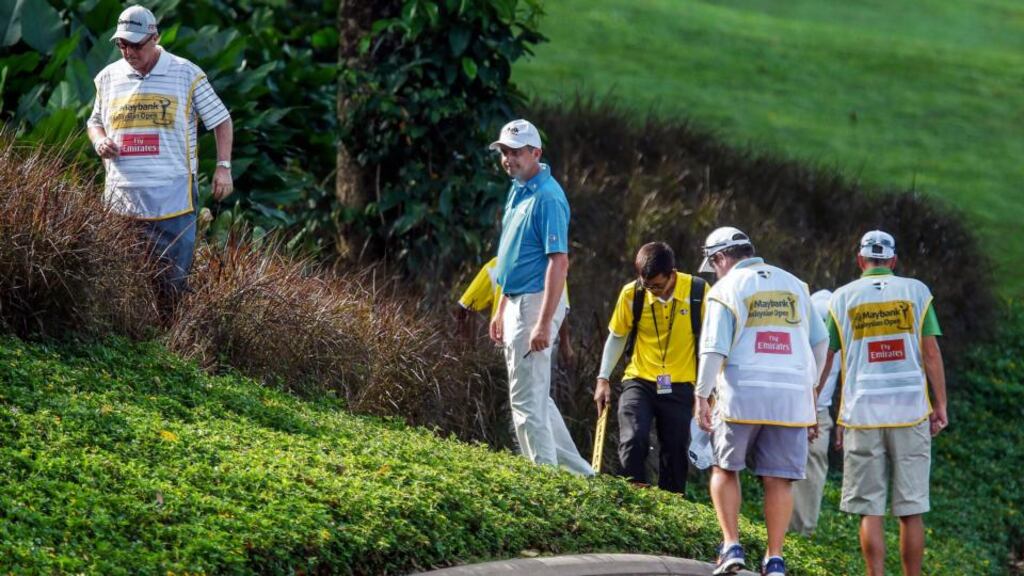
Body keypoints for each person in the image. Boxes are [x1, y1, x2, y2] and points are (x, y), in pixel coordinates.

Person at [693, 226, 828, 576]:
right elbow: (821, 341)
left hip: (742, 394)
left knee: (725, 467)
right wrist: (809, 387)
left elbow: (713, 349)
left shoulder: (725, 289)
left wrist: (702, 395)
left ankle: (731, 545)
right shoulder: (795, 285)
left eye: (713, 264)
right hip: (791, 398)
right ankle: (775, 558)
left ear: (720, 258)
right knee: (779, 479)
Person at [87, 5, 233, 305]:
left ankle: (172, 342)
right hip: (121, 200)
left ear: (155, 37)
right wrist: (100, 141)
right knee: (123, 289)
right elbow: (95, 121)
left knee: (171, 286)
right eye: (122, 44)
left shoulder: (185, 73)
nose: (128, 52)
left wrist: (223, 166)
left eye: (136, 44)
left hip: (173, 200)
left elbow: (221, 120)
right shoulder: (107, 77)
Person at [826, 230, 948, 576]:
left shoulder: (842, 298)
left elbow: (830, 358)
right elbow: (930, 352)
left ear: (860, 260)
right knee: (911, 510)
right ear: (893, 261)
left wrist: (827, 412)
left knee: (871, 509)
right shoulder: (917, 292)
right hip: (910, 412)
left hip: (862, 414)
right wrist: (940, 405)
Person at [487, 119, 592, 476]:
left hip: (536, 302)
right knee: (537, 394)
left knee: (525, 397)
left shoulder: (548, 197)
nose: (509, 159)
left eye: (516, 152)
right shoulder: (518, 187)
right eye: (505, 152)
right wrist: (501, 306)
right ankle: (578, 472)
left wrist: (543, 323)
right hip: (516, 298)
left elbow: (558, 262)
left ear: (536, 153)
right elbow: (511, 253)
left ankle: (542, 475)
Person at [593, 242, 705, 494]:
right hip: (639, 379)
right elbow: (617, 336)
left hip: (680, 383)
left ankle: (671, 507)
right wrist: (603, 378)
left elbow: (711, 342)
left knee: (675, 450)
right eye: (647, 285)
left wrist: (708, 390)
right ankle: (633, 497)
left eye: (658, 285)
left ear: (672, 273)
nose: (652, 291)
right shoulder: (633, 294)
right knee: (633, 438)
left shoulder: (698, 291)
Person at [456, 256, 574, 368]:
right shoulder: (554, 267)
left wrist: (467, 349)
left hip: (518, 343)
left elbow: (465, 307)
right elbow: (465, 307)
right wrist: (565, 345)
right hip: (539, 343)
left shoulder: (498, 264)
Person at [788, 289, 841, 536]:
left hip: (807, 406)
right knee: (807, 469)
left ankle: (794, 533)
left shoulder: (831, 311)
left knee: (792, 468)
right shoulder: (825, 312)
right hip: (807, 407)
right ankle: (799, 532)